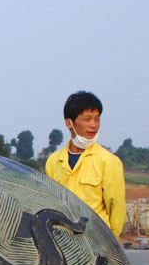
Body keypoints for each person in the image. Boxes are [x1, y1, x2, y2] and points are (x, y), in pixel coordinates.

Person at [45, 91, 126, 239]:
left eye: (97, 119)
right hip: (62, 239)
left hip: (96, 242)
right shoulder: (54, 161)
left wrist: (111, 244)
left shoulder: (108, 161)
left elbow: (117, 210)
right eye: (87, 119)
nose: (93, 125)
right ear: (69, 123)